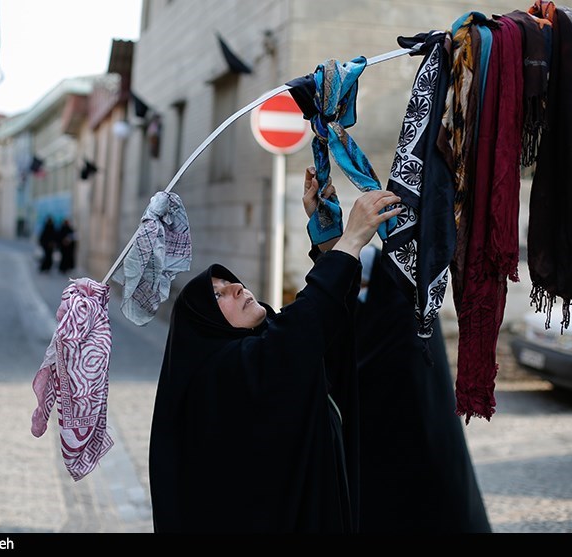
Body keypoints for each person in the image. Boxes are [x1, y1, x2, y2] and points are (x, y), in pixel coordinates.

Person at [148, 167, 402, 533]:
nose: (236, 287)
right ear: (205, 324)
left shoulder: (261, 350)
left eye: (230, 281)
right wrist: (350, 241)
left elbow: (323, 333)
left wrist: (328, 240)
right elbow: (299, 332)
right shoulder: (219, 374)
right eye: (218, 294)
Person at [353, 242, 492, 533]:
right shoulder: (383, 311)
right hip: (388, 443)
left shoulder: (406, 314)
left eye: (364, 285)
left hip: (424, 431)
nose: (360, 293)